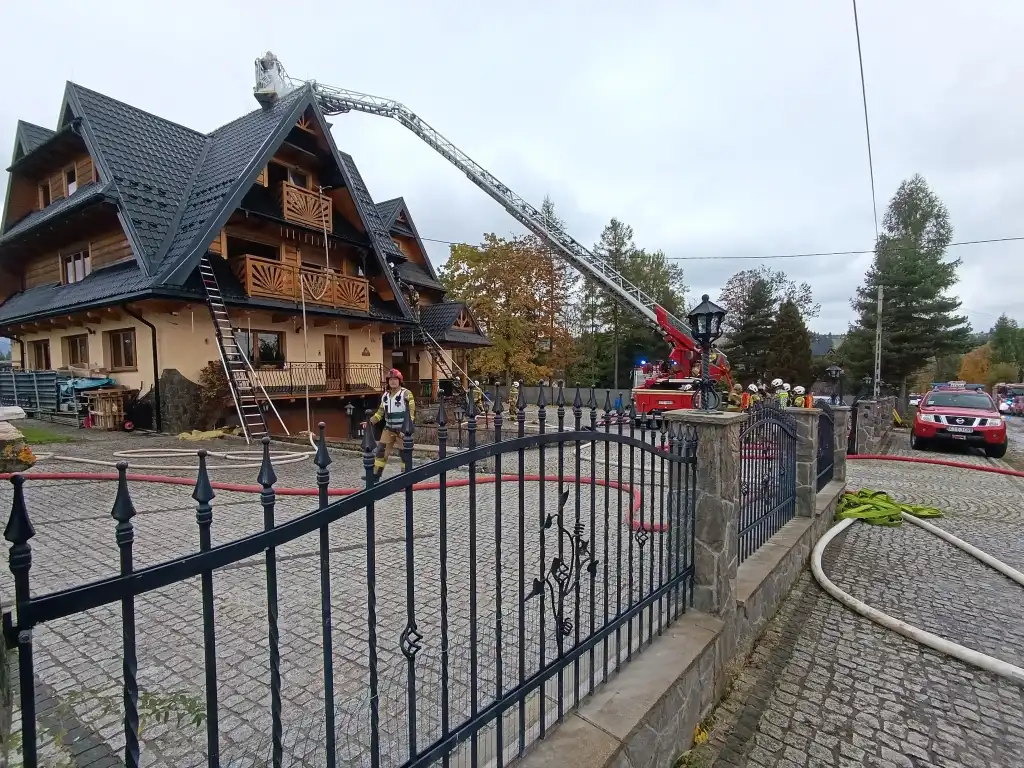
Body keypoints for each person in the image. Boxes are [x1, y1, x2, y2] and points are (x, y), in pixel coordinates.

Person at [363, 368, 416, 479]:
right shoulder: (385, 396)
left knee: (404, 454)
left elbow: (411, 413)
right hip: (388, 429)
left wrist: (406, 429)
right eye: (390, 379)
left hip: (402, 430)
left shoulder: (406, 394)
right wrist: (370, 422)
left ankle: (405, 476)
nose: (392, 381)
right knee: (380, 452)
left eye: (395, 379)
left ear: (400, 380)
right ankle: (375, 475)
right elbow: (380, 413)